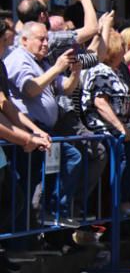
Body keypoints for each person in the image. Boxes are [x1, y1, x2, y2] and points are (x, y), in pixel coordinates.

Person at [3, 21, 83, 225]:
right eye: (41, 39)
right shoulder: (19, 59)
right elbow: (29, 89)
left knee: (38, 179)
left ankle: (49, 213)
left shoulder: (42, 62)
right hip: (25, 130)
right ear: (24, 40)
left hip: (40, 130)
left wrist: (75, 72)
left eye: (47, 38)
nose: (46, 43)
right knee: (29, 184)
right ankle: (47, 214)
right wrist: (57, 68)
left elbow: (65, 88)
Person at [80, 26, 130, 215]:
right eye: (123, 45)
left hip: (122, 128)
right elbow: (100, 102)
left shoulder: (117, 70)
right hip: (106, 131)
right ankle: (117, 203)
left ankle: (121, 201)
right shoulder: (101, 71)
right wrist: (122, 129)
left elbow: (128, 100)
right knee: (122, 161)